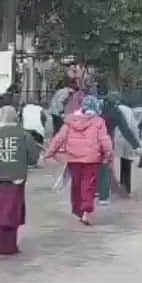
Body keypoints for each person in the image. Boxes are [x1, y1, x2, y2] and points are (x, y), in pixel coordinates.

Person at [45, 95, 113, 224]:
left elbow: (60, 137)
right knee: (88, 185)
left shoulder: (71, 120)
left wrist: (50, 152)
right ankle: (86, 212)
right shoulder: (98, 122)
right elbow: (105, 140)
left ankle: (78, 209)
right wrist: (108, 154)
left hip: (73, 158)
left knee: (76, 185)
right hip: (91, 159)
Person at [0, 106, 37, 255]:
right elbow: (33, 157)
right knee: (11, 212)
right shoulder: (24, 135)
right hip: (16, 178)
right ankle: (8, 245)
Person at [97, 93, 140, 204]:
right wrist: (136, 146)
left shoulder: (95, 108)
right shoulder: (115, 112)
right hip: (106, 142)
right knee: (104, 168)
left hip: (90, 142)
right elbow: (126, 130)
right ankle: (103, 197)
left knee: (91, 166)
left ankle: (94, 191)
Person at [113, 98, 140, 197]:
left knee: (112, 165)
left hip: (114, 138)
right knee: (126, 163)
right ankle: (126, 189)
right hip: (127, 139)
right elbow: (134, 127)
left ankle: (109, 190)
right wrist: (137, 145)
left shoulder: (114, 109)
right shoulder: (129, 111)